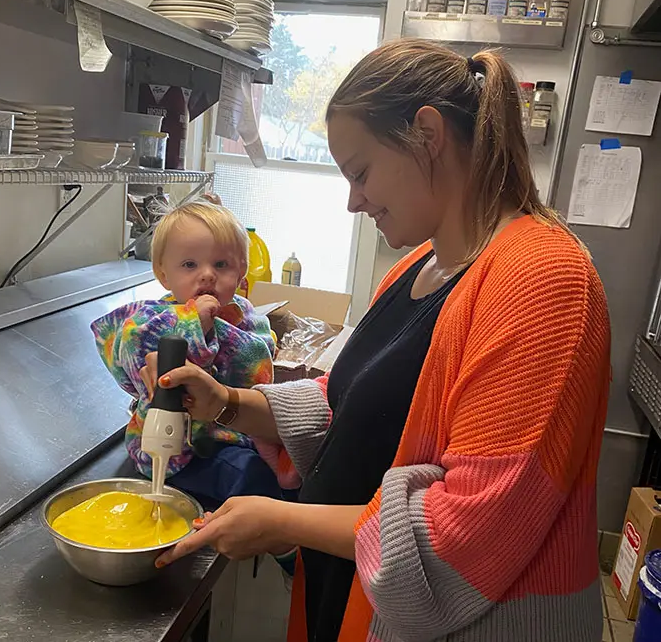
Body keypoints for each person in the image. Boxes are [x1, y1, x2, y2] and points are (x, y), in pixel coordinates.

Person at [145, 40, 611, 642]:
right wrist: (227, 405)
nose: (352, 201)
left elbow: (465, 531)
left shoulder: (544, 280)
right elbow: (352, 404)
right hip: (358, 593)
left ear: (427, 134)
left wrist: (287, 520)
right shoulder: (418, 267)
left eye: (360, 172)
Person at [91, 200, 282, 506]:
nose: (207, 275)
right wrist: (194, 325)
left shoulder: (247, 319)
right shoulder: (151, 319)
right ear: (164, 274)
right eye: (190, 265)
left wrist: (217, 329)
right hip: (175, 451)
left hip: (236, 436)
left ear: (241, 271)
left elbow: (258, 366)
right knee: (253, 481)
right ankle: (287, 547)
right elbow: (128, 351)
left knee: (290, 473)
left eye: (221, 265)